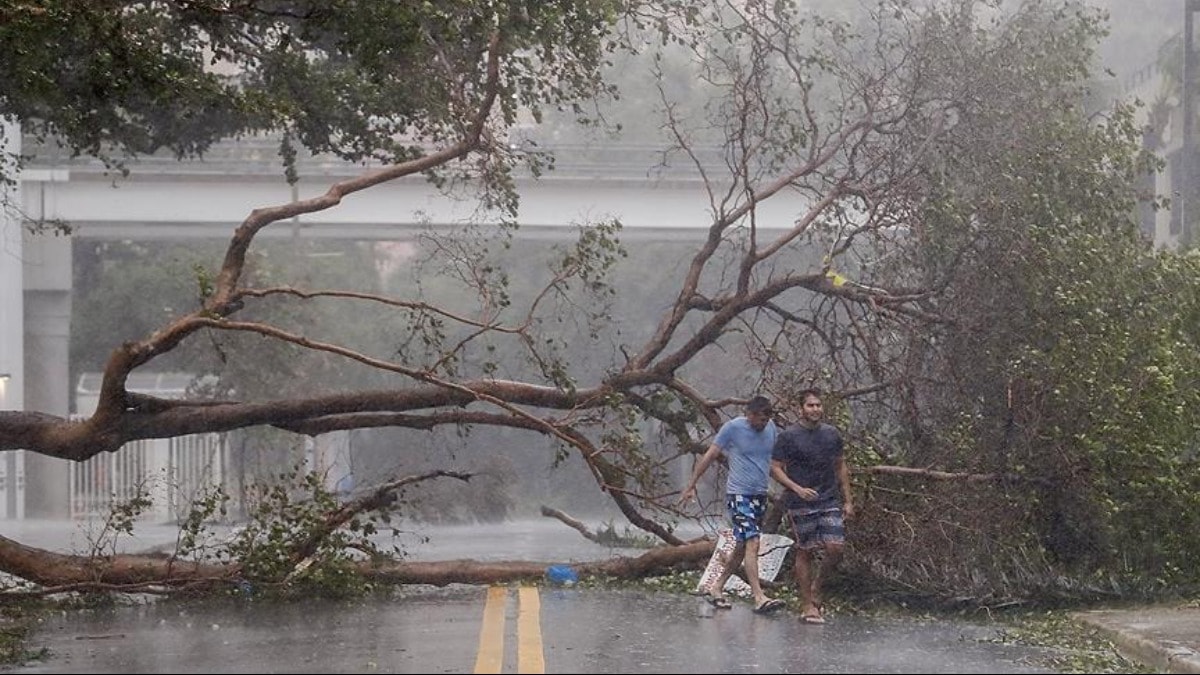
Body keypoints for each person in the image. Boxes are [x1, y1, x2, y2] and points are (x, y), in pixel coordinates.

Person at [678, 395, 786, 614]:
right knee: (753, 541)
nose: (763, 424)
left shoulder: (771, 428)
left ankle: (716, 587)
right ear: (750, 415)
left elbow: (776, 461)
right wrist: (691, 484)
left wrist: (792, 484)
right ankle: (759, 597)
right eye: (760, 420)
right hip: (738, 494)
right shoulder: (733, 428)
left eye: (766, 420)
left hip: (759, 494)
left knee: (741, 546)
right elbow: (710, 455)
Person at [770, 388, 853, 624]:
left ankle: (817, 586)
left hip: (828, 498)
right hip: (800, 502)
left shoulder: (832, 434)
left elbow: (840, 466)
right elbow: (775, 467)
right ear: (801, 409)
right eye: (810, 405)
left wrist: (848, 500)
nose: (815, 409)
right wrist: (795, 488)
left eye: (818, 405)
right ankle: (808, 605)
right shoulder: (788, 436)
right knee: (805, 550)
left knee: (835, 548)